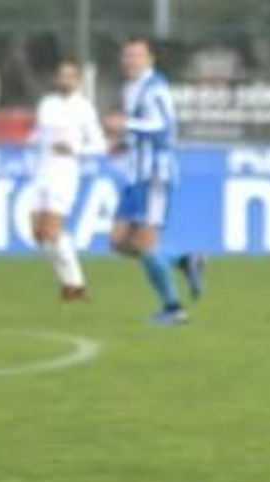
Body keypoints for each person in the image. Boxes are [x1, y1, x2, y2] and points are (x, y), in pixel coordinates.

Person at [109, 37, 205, 326]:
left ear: (150, 59)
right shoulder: (130, 89)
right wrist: (124, 143)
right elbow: (141, 131)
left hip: (154, 175)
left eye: (137, 55)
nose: (131, 60)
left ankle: (173, 308)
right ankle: (183, 260)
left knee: (144, 243)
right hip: (135, 174)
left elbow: (164, 127)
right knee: (118, 241)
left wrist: (126, 124)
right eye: (127, 55)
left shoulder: (156, 88)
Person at [30, 60, 107, 301]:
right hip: (41, 171)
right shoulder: (47, 104)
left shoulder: (84, 107)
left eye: (70, 76)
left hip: (64, 174)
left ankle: (76, 285)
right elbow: (39, 135)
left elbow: (100, 145)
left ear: (78, 80)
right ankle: (70, 284)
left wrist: (75, 149)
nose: (65, 80)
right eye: (61, 75)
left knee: (52, 230)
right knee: (38, 233)